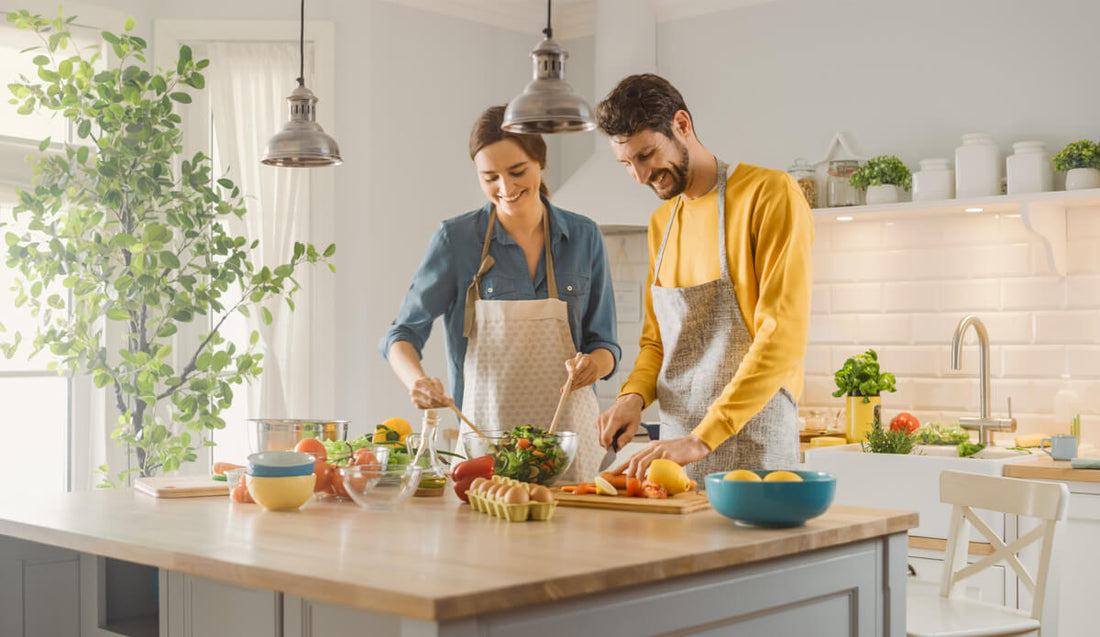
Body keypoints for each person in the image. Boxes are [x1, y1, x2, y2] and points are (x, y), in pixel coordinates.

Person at [380, 105, 620, 482]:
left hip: (572, 446)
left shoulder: (584, 237)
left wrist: (595, 365)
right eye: (490, 177)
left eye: (517, 172)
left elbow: (604, 343)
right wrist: (417, 382)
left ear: (540, 162)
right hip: (484, 445)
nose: (505, 189)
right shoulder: (456, 241)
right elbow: (401, 335)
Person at [593, 74, 814, 483]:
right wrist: (633, 397)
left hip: (754, 445)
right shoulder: (662, 223)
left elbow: (780, 337)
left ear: (682, 125)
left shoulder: (768, 195)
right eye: (626, 164)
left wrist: (703, 438)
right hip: (676, 455)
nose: (640, 176)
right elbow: (657, 341)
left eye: (646, 155)